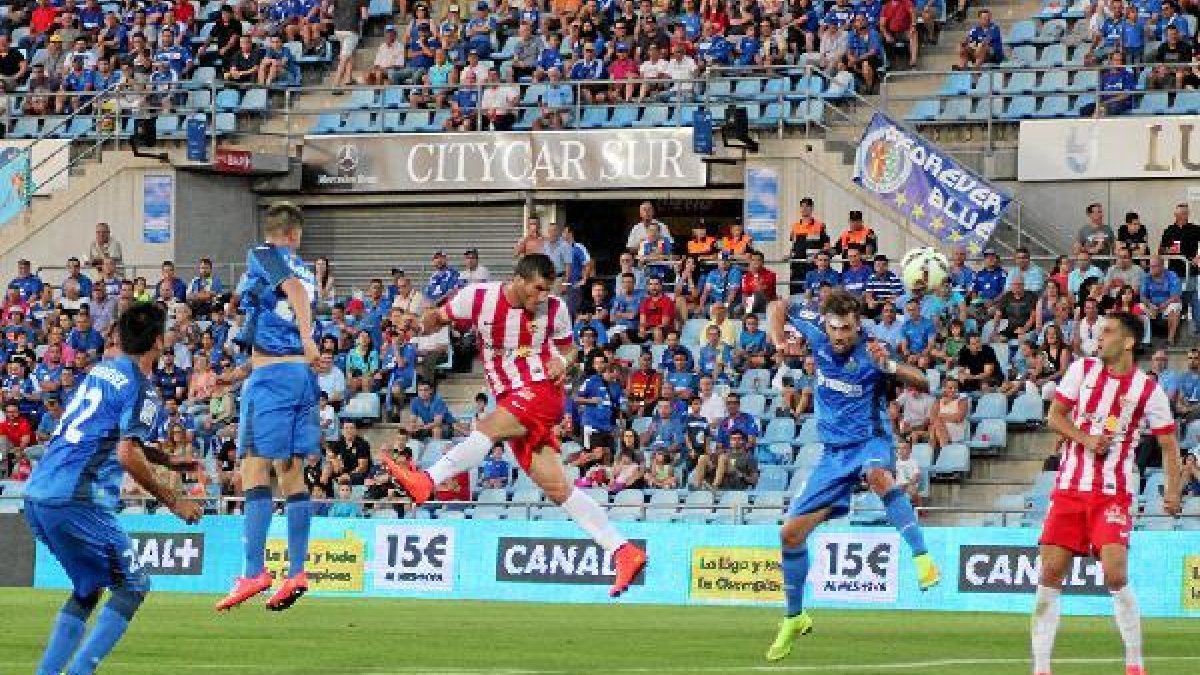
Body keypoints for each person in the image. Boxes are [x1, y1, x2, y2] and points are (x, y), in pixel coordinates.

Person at [379, 254, 647, 597]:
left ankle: (426, 480)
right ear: (519, 279)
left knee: (486, 428)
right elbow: (438, 317)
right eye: (537, 289)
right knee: (557, 488)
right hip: (510, 396)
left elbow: (570, 350)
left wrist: (561, 361)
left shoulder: (554, 308)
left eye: (547, 290)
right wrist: (418, 325)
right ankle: (622, 550)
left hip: (541, 391)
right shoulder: (477, 298)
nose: (542, 297)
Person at [23, 303, 203, 675]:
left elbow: (109, 433)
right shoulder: (143, 391)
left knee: (88, 588)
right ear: (158, 341)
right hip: (77, 498)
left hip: (39, 493)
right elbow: (126, 454)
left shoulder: (101, 371)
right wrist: (175, 501)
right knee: (133, 583)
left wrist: (166, 461)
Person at [764, 289, 938, 661]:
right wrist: (779, 340)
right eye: (834, 328)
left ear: (858, 324)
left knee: (878, 476)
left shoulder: (874, 349)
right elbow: (777, 305)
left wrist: (890, 367)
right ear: (825, 323)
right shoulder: (814, 331)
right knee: (789, 535)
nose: (839, 335)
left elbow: (923, 382)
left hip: (870, 441)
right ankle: (794, 617)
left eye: (846, 328)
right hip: (832, 454)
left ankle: (922, 556)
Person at [1031, 313, 1182, 675]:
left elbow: (1168, 444)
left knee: (1115, 574)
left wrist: (1172, 491)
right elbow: (1055, 415)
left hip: (1113, 492)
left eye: (1108, 331)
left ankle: (1134, 663)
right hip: (1069, 487)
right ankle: (1041, 667)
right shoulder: (1082, 370)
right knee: (1050, 573)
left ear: (1128, 342)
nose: (1100, 337)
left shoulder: (1148, 390)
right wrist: (1085, 439)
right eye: (1098, 332)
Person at [215, 202, 320, 612]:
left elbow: (290, 292)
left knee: (253, 469)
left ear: (278, 234)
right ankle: (297, 571)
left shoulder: (264, 255)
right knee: (292, 473)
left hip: (273, 383)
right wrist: (234, 376)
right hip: (296, 378)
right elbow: (283, 333)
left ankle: (255, 571)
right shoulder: (313, 274)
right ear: (296, 234)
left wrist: (309, 338)